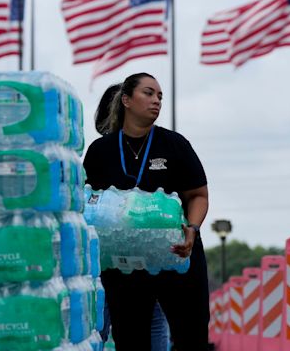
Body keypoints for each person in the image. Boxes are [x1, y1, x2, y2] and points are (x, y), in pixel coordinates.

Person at [84, 73, 209, 350]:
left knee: (192, 336)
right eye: (149, 93)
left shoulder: (175, 145)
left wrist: (193, 228)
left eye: (160, 96)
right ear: (126, 100)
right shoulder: (100, 151)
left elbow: (198, 195)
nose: (156, 101)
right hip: (126, 263)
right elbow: (89, 203)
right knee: (130, 338)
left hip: (178, 253)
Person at [95, 83, 171, 351]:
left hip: (128, 263)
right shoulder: (100, 153)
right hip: (122, 264)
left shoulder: (160, 150)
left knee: (99, 328)